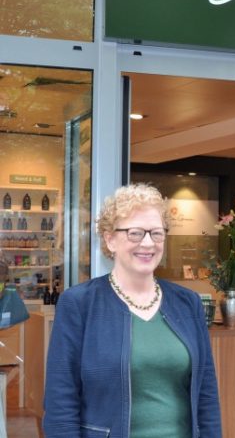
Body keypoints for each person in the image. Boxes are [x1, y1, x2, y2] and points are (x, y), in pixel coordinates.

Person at [43, 183, 222, 438]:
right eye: (135, 233)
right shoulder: (79, 304)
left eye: (156, 233)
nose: (148, 243)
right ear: (110, 239)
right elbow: (61, 403)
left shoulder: (187, 303)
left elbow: (206, 396)